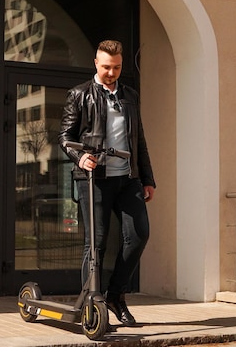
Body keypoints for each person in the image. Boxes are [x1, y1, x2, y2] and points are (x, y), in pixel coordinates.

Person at [58, 40, 156, 326]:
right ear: (95, 64)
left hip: (128, 179)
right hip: (94, 179)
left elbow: (139, 140)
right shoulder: (79, 95)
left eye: (117, 67)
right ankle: (92, 303)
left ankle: (115, 295)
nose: (111, 73)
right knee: (96, 244)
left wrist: (147, 178)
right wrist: (80, 157)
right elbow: (64, 137)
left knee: (139, 235)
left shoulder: (130, 96)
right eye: (106, 67)